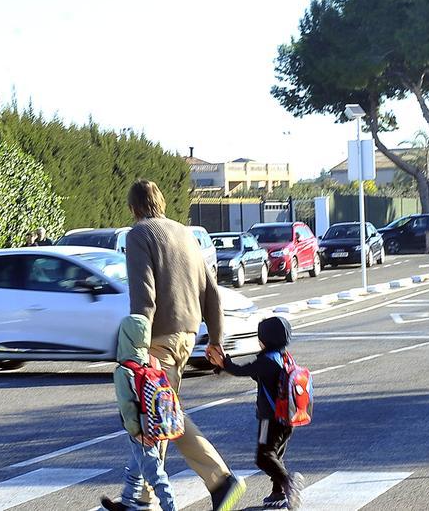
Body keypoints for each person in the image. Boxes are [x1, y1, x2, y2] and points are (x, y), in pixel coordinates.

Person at [121, 180, 245, 511]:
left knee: (162, 412)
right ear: (161, 202)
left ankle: (221, 479)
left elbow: (144, 296)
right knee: (158, 414)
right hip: (188, 335)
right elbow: (212, 291)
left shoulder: (139, 234)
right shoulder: (186, 233)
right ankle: (142, 497)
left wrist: (138, 344)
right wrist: (215, 340)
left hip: (158, 338)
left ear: (133, 208)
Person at [215, 317, 305, 510]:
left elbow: (241, 370)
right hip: (289, 418)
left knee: (264, 457)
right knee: (275, 455)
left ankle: (288, 482)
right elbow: (260, 376)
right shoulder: (284, 357)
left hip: (271, 419)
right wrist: (224, 366)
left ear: (266, 339)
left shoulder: (266, 360)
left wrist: (224, 363)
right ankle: (278, 493)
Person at [101, 315, 178, 511]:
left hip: (141, 430)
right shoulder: (153, 361)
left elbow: (127, 406)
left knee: (155, 475)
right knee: (137, 464)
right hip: (158, 424)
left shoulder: (124, 370)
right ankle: (127, 501)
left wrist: (135, 431)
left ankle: (171, 508)